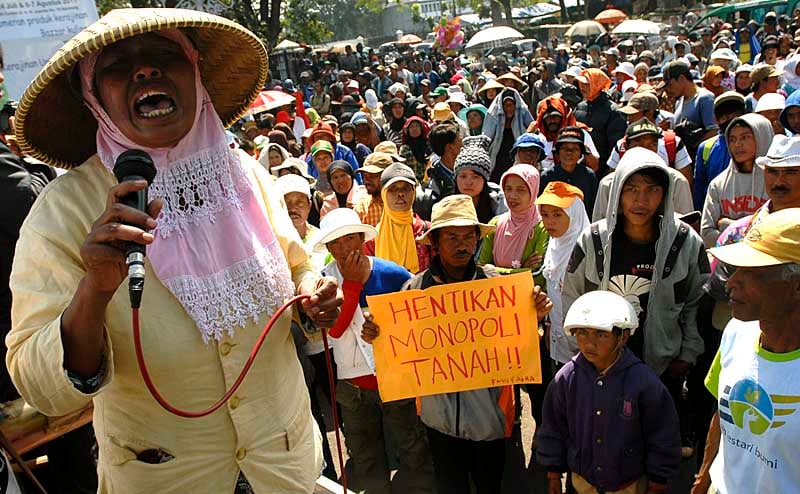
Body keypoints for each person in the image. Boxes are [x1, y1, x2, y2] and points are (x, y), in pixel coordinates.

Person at [7, 10, 342, 493]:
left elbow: (300, 263)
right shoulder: (63, 212)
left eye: (166, 55)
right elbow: (38, 386)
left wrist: (313, 290)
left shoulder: (245, 176)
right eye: (118, 64)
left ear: (196, 74)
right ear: (93, 96)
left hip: (285, 469)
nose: (146, 70)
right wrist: (94, 291)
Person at [361, 194, 553, 494]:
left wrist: (534, 317)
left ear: (478, 239)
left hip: (491, 420)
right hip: (439, 422)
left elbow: (524, 346)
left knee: (491, 487)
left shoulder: (498, 287)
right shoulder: (414, 290)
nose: (462, 244)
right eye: (452, 237)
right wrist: (377, 332)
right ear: (435, 242)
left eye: (468, 236)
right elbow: (402, 349)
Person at [563, 148, 709, 449]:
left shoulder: (686, 243)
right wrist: (581, 351)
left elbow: (697, 301)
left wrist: (686, 355)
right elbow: (571, 296)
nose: (641, 201)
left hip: (662, 367)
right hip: (601, 367)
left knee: (652, 448)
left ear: (665, 194)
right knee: (602, 443)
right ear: (617, 191)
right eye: (631, 189)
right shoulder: (592, 241)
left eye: (652, 190)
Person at [314, 208, 436, 494]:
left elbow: (417, 314)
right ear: (329, 248)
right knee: (365, 453)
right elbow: (333, 330)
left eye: (349, 239)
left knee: (411, 445)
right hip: (352, 387)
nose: (344, 248)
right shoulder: (325, 280)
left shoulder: (392, 273)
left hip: (395, 379)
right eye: (336, 243)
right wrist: (353, 286)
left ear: (361, 238)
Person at [692, 209, 800, 494]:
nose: (731, 282)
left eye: (752, 274)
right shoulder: (736, 332)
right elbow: (721, 412)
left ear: (797, 286)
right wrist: (704, 478)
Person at [537, 291, 681, 494]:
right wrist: (553, 474)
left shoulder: (645, 383)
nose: (589, 343)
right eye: (582, 333)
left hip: (628, 486)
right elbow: (553, 428)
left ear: (623, 337)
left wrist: (658, 480)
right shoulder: (566, 379)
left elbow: (662, 435)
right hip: (581, 484)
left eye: (601, 334)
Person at [535, 182, 589, 367]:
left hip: (585, 347)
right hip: (559, 341)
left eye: (557, 214)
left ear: (574, 215)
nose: (549, 221)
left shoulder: (586, 250)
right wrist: (550, 327)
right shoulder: (554, 244)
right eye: (545, 214)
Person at [700, 113, 772, 247]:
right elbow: (707, 234)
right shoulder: (718, 184)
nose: (737, 144)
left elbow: (776, 231)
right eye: (732, 139)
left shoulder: (776, 183)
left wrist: (726, 224)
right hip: (726, 265)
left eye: (745, 137)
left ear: (762, 138)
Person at [477, 164, 548, 283]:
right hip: (496, 295)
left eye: (521, 190)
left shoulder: (542, 226)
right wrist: (522, 270)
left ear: (533, 190)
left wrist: (494, 270)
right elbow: (481, 269)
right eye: (508, 189)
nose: (512, 196)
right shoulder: (496, 224)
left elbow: (537, 275)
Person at [612, 91, 694, 185]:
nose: (629, 118)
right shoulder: (622, 144)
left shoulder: (673, 142)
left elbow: (685, 182)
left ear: (649, 113)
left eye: (633, 113)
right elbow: (612, 181)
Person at [364, 163, 431, 273]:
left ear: (414, 192)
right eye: (393, 189)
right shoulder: (372, 240)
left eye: (406, 188)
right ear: (383, 194)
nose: (400, 194)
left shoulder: (427, 232)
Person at [694, 92, 747, 210]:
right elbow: (699, 186)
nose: (731, 121)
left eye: (736, 115)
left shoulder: (754, 142)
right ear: (716, 120)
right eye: (725, 117)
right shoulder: (706, 147)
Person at [574, 68, 627, 174]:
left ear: (597, 84)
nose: (582, 87)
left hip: (601, 170)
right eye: (581, 83)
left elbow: (615, 144)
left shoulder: (613, 111)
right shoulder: (580, 106)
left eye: (587, 84)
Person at [661, 61, 718, 158]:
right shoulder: (679, 102)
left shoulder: (704, 98)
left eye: (670, 85)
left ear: (682, 78)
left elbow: (714, 132)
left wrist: (693, 148)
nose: (668, 90)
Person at [540, 127, 598, 218]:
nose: (569, 153)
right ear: (557, 153)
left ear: (581, 154)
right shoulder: (547, 177)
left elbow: (593, 206)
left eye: (575, 149)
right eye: (564, 148)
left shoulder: (589, 175)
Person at [532, 95, 600, 173]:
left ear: (564, 116)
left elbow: (594, 166)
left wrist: (583, 148)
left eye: (555, 116)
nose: (552, 121)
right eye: (547, 117)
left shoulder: (581, 134)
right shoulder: (539, 139)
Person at [482, 88, 534, 183]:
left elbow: (532, 125)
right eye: (506, 106)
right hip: (498, 153)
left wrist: (527, 135)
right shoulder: (493, 114)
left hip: (516, 151)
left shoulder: (521, 112)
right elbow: (486, 136)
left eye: (511, 105)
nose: (509, 109)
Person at [453, 135, 507, 224]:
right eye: (463, 176)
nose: (468, 182)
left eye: (475, 177)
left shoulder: (499, 208)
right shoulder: (447, 207)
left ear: (485, 180)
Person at [416, 122, 462, 221]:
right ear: (449, 147)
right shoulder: (434, 185)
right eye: (459, 141)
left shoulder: (465, 170)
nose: (462, 145)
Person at [353, 152, 394, 226]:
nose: (367, 180)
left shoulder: (403, 203)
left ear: (388, 176)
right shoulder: (361, 209)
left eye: (373, 175)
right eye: (365, 175)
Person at [399, 116, 431, 182]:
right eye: (411, 127)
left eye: (417, 126)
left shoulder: (429, 146)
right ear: (407, 131)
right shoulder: (405, 149)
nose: (414, 129)